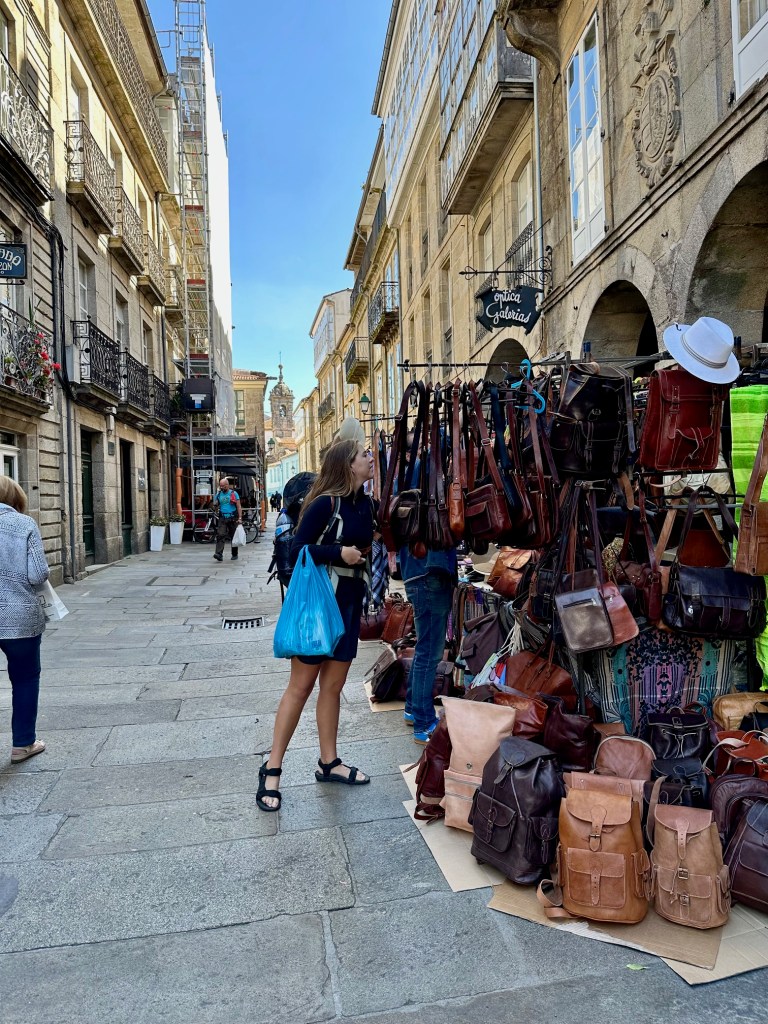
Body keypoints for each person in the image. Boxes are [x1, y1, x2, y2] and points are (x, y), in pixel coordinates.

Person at [257, 439, 375, 812]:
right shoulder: (325, 503)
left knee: (333, 687)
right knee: (301, 687)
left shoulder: (366, 504)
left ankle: (329, 762)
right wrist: (338, 552)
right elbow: (298, 549)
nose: (370, 458)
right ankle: (272, 769)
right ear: (349, 465)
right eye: (364, 455)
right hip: (320, 606)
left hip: (349, 604)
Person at [0, 477, 50, 763]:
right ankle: (22, 744)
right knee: (25, 679)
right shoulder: (23, 524)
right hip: (19, 616)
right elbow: (38, 574)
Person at [211, 477, 242, 561]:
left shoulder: (234, 493)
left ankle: (234, 554)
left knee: (233, 536)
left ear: (227, 485)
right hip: (222, 517)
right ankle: (219, 554)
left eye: (223, 486)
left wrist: (240, 518)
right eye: (220, 486)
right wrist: (214, 505)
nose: (221, 487)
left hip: (233, 517)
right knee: (220, 534)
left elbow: (239, 506)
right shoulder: (219, 494)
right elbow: (215, 505)